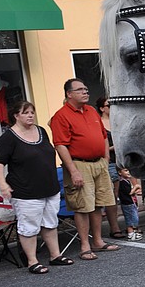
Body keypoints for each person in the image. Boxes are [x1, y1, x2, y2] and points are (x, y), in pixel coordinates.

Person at [0, 101, 74, 274]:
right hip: (25, 191)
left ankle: (55, 255)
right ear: (16, 115)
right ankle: (32, 261)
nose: (30, 115)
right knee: (29, 226)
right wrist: (3, 184)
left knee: (50, 223)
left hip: (48, 187)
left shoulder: (41, 131)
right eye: (25, 112)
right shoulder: (8, 137)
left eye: (32, 112)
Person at [50, 79, 121, 261]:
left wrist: (105, 159)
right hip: (78, 164)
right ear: (69, 94)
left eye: (86, 89)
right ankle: (85, 246)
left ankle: (97, 241)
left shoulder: (91, 111)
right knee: (82, 206)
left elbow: (104, 136)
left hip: (99, 163)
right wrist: (73, 171)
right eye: (80, 90)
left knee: (98, 203)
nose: (85, 92)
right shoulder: (61, 115)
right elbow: (60, 145)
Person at [96, 96, 125, 239]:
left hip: (122, 161)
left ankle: (132, 224)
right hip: (109, 161)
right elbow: (100, 146)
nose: (111, 108)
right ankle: (114, 227)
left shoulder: (117, 121)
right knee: (112, 196)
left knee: (123, 194)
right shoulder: (99, 123)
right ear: (102, 108)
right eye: (109, 105)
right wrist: (115, 147)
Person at [116, 166, 142, 241]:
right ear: (120, 172)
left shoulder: (126, 181)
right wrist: (136, 187)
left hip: (130, 202)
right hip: (127, 204)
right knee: (130, 218)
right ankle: (131, 233)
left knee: (134, 218)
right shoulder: (122, 182)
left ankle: (134, 232)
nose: (128, 172)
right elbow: (129, 193)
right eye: (126, 170)